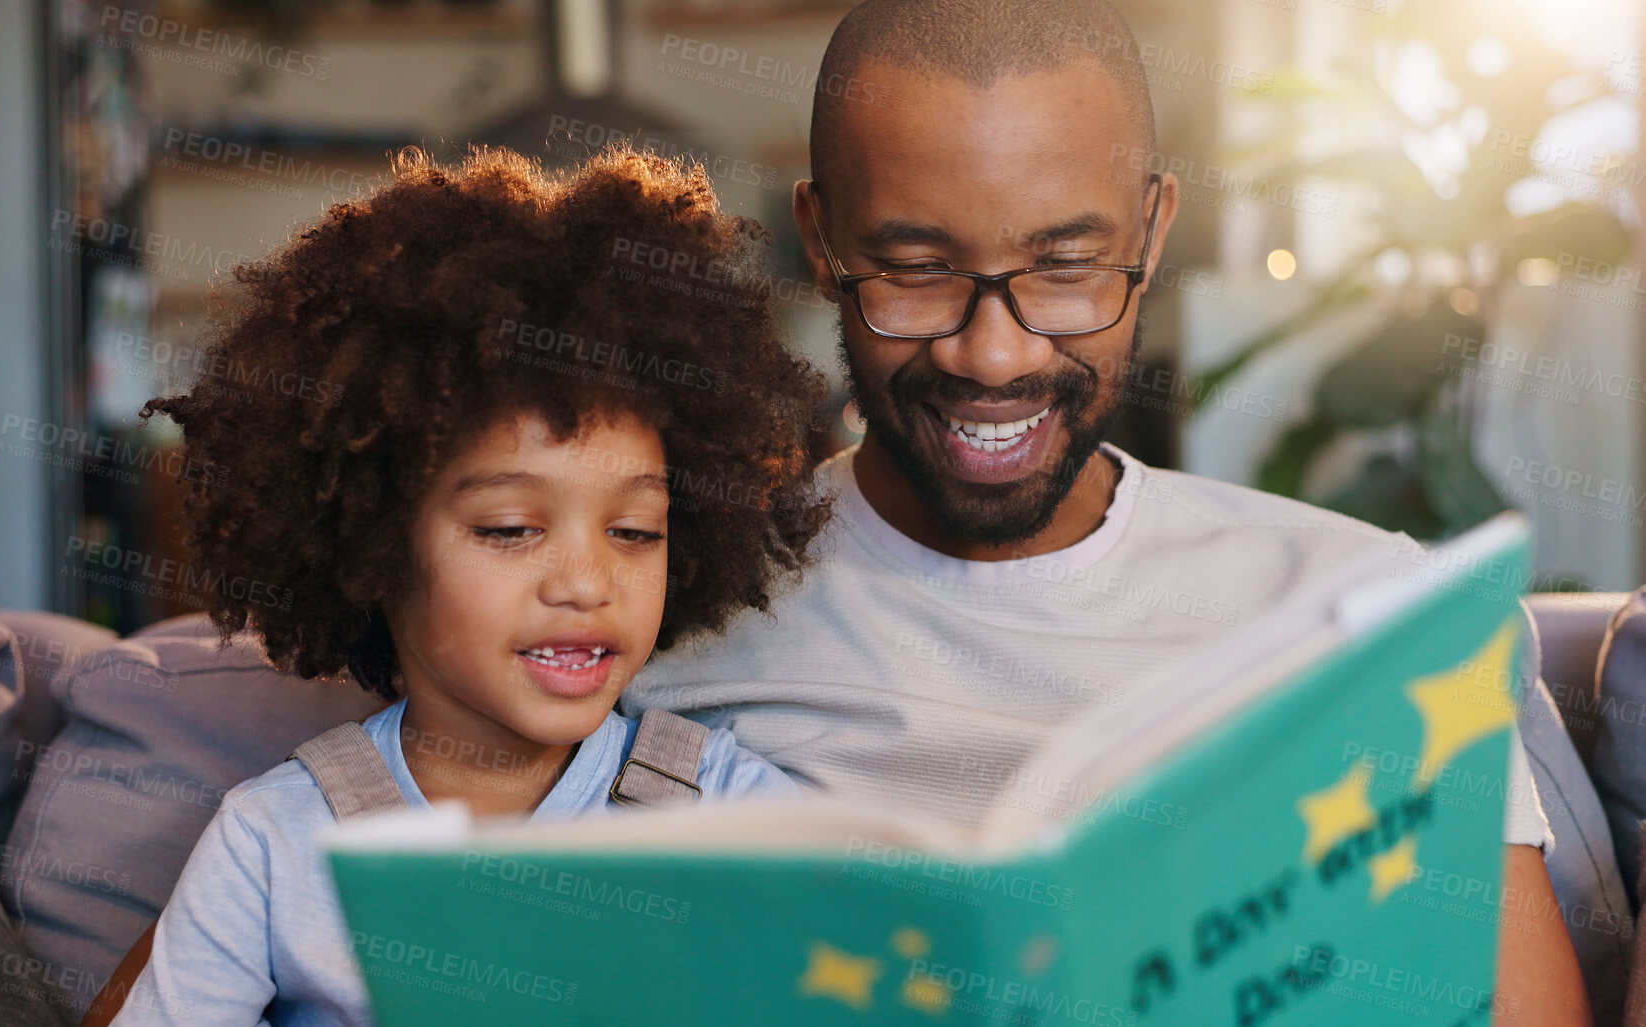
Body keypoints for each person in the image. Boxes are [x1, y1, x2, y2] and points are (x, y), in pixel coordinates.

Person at [621, 1, 1592, 1022]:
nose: (994, 355)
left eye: (1067, 267)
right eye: (915, 272)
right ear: (819, 241)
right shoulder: (651, 604)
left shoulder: (1369, 608)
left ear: (1153, 228)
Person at [111, 145, 828, 1025]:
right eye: (509, 529)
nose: (585, 581)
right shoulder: (276, 842)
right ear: (371, 545)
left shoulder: (735, 813)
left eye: (634, 532)